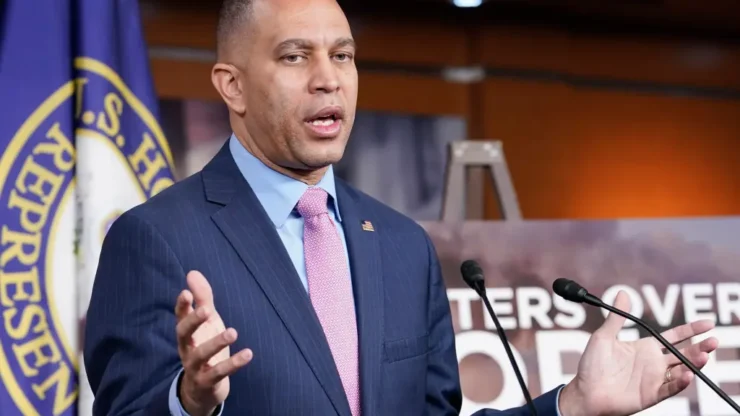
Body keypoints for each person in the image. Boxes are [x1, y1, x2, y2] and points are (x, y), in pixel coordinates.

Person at [82, 0, 719, 414]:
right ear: (233, 86)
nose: (328, 78)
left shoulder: (401, 244)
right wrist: (188, 402)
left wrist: (573, 403)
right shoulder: (155, 238)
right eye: (295, 56)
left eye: (343, 55)